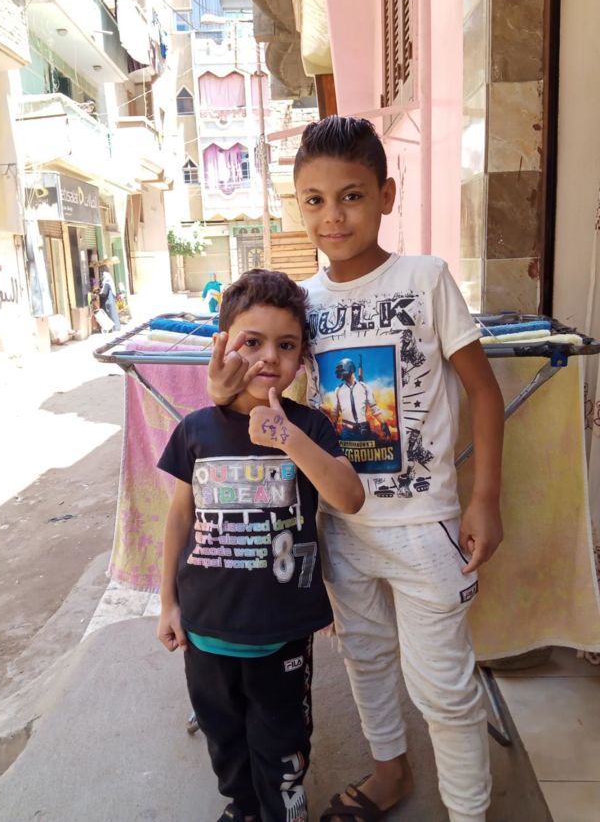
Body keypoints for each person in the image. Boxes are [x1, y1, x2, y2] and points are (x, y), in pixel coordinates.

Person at [206, 116, 505, 822]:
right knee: (366, 661)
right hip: (339, 527)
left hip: (425, 525)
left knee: (443, 687)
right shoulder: (301, 304)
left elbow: (484, 392)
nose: (333, 216)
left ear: (386, 196)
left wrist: (485, 497)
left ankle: (470, 811)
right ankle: (389, 772)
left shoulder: (426, 279)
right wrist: (223, 393)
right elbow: (270, 398)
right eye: (314, 200)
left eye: (351, 196)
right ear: (297, 205)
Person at [156, 269, 365, 822]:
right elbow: (179, 518)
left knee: (283, 744)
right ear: (223, 346)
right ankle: (244, 809)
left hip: (282, 632)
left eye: (286, 345)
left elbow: (349, 498)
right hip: (206, 629)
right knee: (224, 739)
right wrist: (168, 603)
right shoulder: (196, 429)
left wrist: (284, 435)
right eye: (252, 342)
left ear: (302, 357)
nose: (269, 357)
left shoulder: (310, 427)